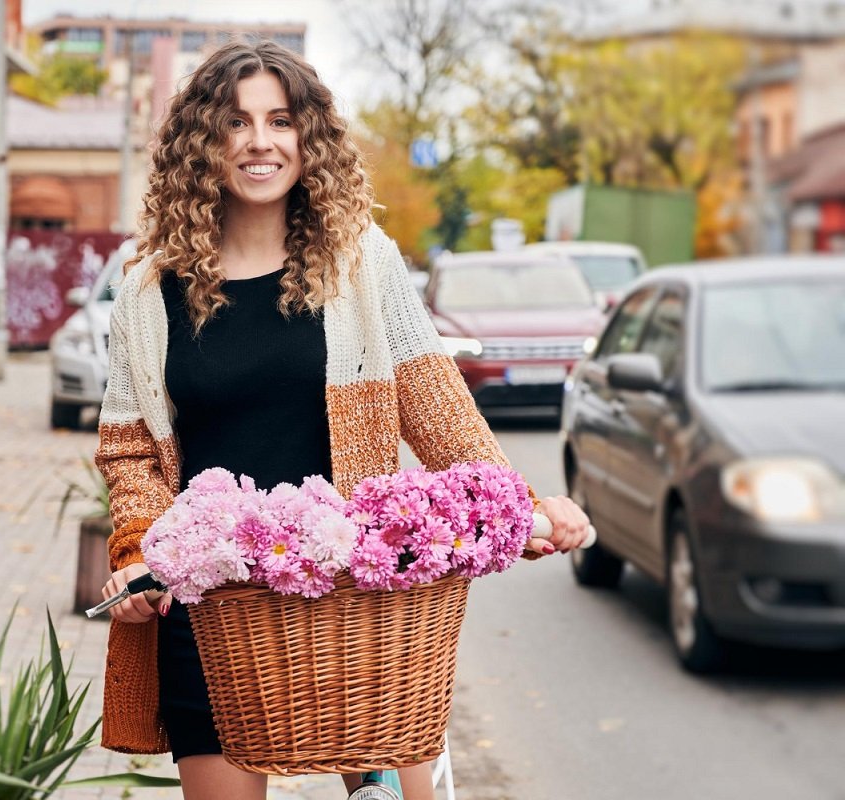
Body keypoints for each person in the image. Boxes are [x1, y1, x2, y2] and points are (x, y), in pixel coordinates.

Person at [94, 41, 589, 800]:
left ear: (309, 139)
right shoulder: (146, 293)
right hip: (217, 614)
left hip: (360, 602)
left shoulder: (362, 265)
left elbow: (438, 409)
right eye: (235, 122)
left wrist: (522, 508)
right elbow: (131, 452)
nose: (260, 142)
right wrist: (134, 552)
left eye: (281, 121)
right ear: (202, 143)